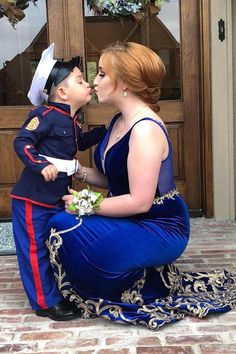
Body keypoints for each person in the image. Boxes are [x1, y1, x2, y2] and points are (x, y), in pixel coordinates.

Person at [45, 42, 236, 329]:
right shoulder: (119, 120)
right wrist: (75, 170)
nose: (94, 82)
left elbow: (140, 201)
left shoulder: (144, 129)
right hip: (132, 216)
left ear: (122, 82)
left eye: (100, 75)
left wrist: (86, 204)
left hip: (159, 225)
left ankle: (141, 282)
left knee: (64, 225)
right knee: (61, 222)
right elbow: (114, 178)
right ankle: (125, 274)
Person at [11, 43, 106, 321]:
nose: (87, 83)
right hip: (33, 199)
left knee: (57, 245)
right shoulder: (44, 116)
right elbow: (23, 142)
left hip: (55, 198)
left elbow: (79, 141)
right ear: (62, 92)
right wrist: (42, 165)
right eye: (80, 80)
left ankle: (60, 290)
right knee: (35, 250)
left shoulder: (72, 121)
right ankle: (44, 302)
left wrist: (105, 130)